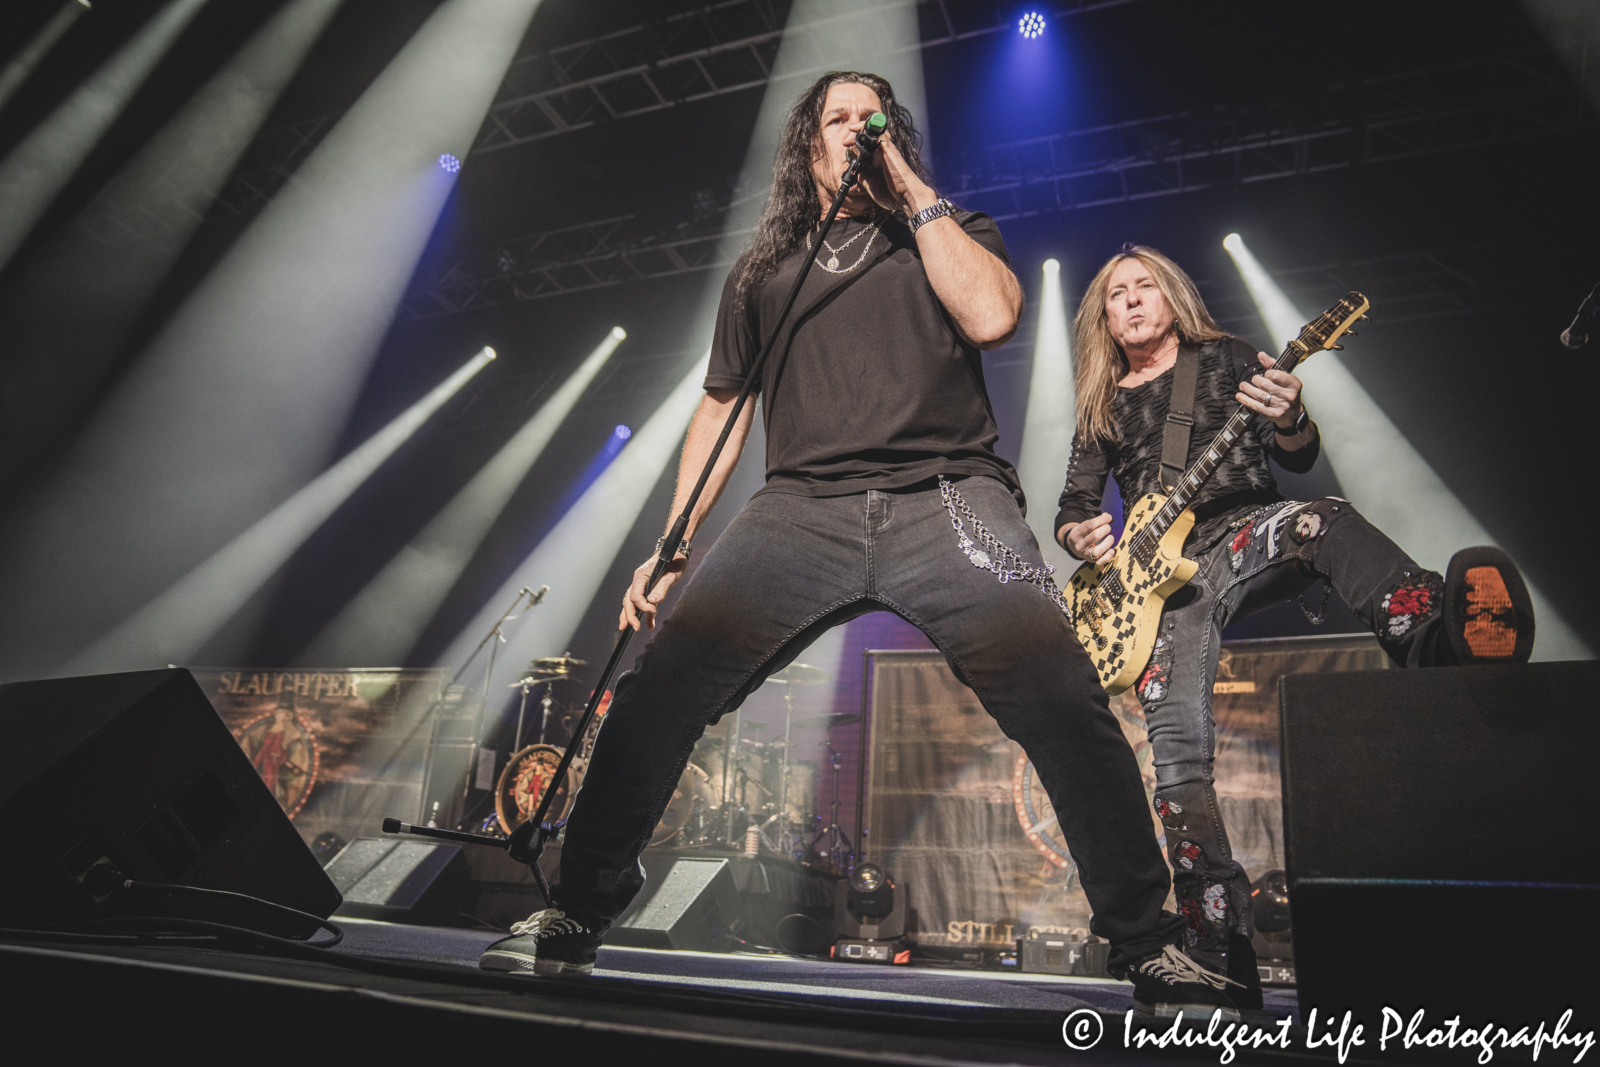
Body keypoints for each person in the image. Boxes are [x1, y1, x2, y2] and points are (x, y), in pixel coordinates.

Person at [478, 72, 1246, 1017]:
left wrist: (910, 190)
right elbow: (723, 403)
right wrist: (673, 541)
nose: (856, 128)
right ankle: (576, 912)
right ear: (807, 146)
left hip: (951, 498)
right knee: (661, 687)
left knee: (1059, 692)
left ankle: (1148, 943)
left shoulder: (949, 228)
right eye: (837, 118)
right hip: (800, 507)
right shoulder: (764, 270)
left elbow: (993, 315)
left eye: (871, 118)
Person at [1054, 245, 1536, 1007]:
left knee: (1324, 518)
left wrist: (1291, 417)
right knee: (1177, 751)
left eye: (1147, 286)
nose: (1134, 301)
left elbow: (1299, 454)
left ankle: (1434, 639)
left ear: (1173, 294)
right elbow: (1074, 507)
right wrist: (1082, 534)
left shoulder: (1232, 357)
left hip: (1243, 527)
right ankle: (1219, 944)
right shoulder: (1104, 401)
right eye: (1118, 295)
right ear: (1104, 318)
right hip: (1157, 584)